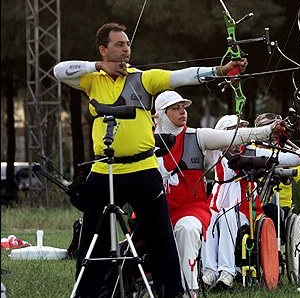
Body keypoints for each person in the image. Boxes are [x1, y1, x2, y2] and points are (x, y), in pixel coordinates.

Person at [53, 22, 247, 298]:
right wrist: (98, 66)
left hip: (144, 170)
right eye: (119, 44)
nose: (126, 50)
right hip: (104, 169)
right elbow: (60, 70)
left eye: (128, 44)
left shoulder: (143, 78)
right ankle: (90, 294)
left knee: (161, 239)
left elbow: (181, 76)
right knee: (93, 241)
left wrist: (218, 71)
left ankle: (171, 293)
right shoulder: (92, 79)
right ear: (103, 49)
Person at [152, 92, 281, 296]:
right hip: (154, 208)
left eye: (183, 107)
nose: (182, 111)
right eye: (175, 108)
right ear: (160, 114)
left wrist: (267, 131)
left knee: (188, 229)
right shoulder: (146, 141)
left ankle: (190, 290)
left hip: (190, 208)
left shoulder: (197, 136)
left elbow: (234, 137)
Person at [201, 115, 269, 290]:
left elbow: (287, 158)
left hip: (245, 209)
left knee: (227, 216)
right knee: (206, 218)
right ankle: (208, 271)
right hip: (216, 204)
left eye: (240, 131)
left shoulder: (252, 151)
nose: (238, 136)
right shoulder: (215, 152)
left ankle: (227, 273)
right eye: (233, 132)